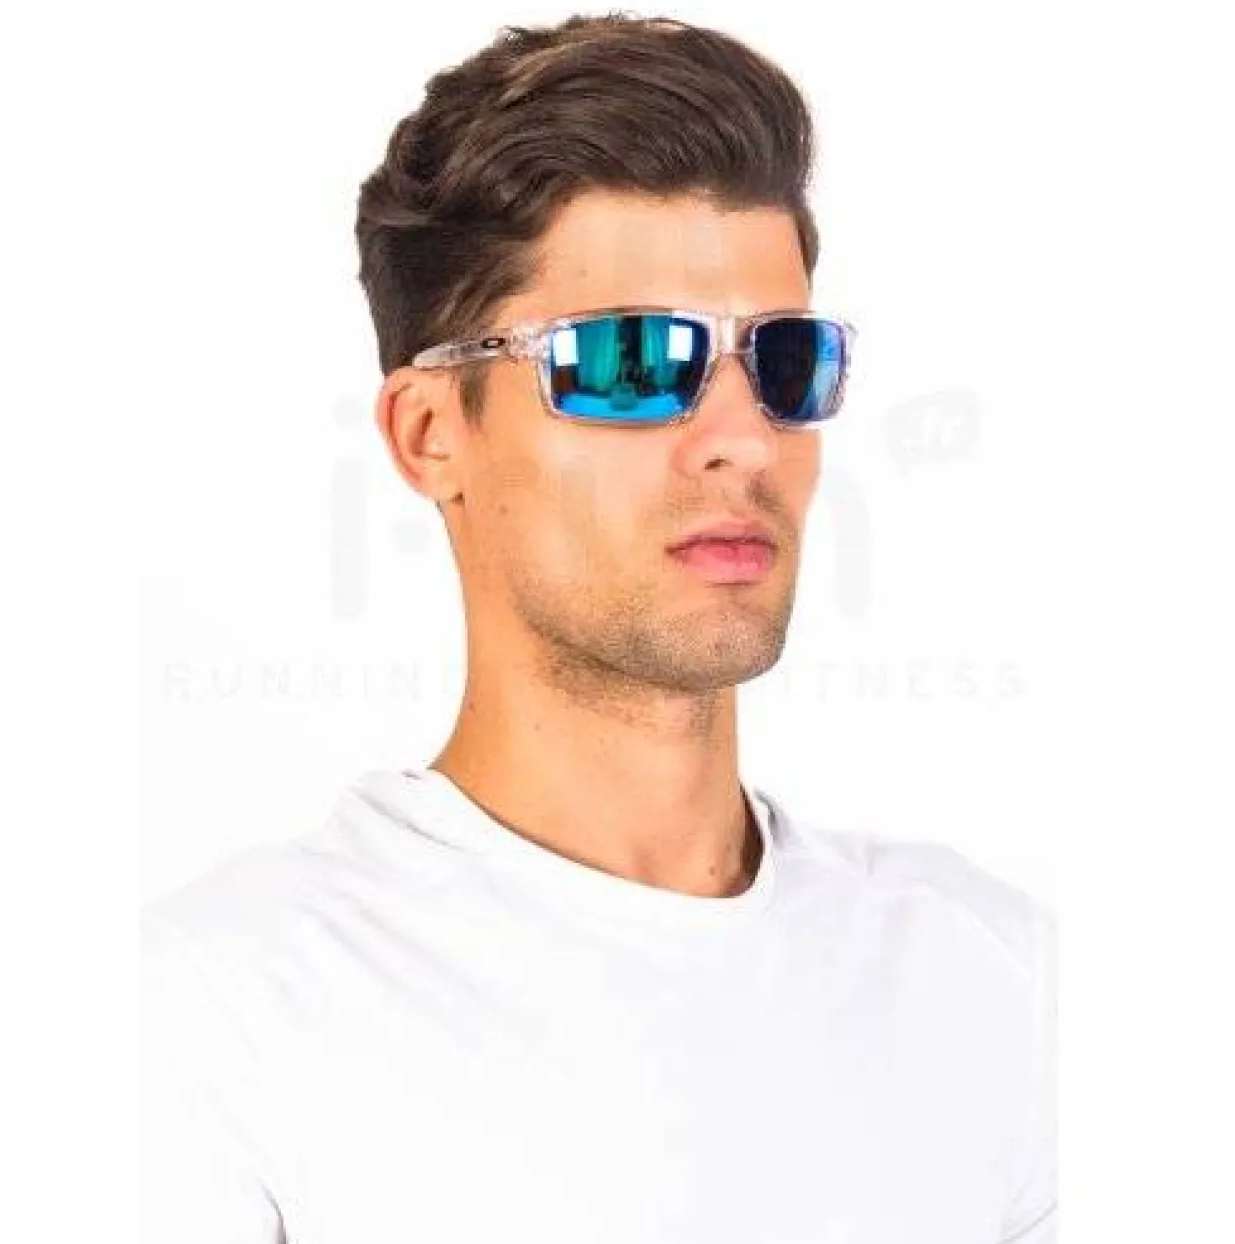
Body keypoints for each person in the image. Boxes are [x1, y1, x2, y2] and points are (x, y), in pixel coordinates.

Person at [141, 14, 1055, 1243]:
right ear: (431, 434)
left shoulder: (993, 981)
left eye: (783, 360)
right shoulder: (215, 1017)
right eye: (631, 359)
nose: (741, 439)